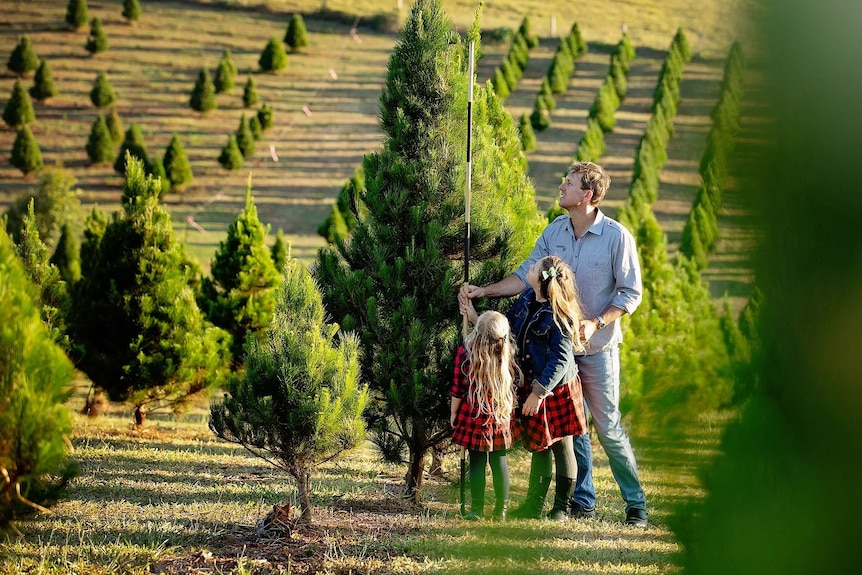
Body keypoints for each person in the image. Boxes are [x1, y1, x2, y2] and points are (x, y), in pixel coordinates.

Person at [460, 161, 649, 526]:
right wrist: (484, 292)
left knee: (607, 427)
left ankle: (636, 505)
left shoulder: (616, 237)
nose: (562, 186)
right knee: (569, 430)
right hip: (552, 354)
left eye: (570, 183)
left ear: (588, 195)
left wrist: (596, 322)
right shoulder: (554, 231)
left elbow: (630, 293)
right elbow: (524, 276)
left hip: (596, 348)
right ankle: (582, 501)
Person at [461, 256, 587, 521]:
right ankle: (534, 504)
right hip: (531, 385)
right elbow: (506, 335)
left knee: (562, 447)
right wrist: (476, 319)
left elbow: (561, 360)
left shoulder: (559, 315)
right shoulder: (526, 300)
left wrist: (539, 393)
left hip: (554, 389)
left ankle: (561, 507)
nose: (527, 268)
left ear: (542, 280)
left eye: (532, 268)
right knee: (539, 445)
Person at [451, 310, 520, 521]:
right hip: (500, 415)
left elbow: (458, 388)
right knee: (499, 461)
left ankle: (477, 509)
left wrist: (453, 412)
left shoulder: (466, 353)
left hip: (473, 416)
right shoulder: (507, 352)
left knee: (477, 462)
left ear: (478, 333)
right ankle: (502, 510)